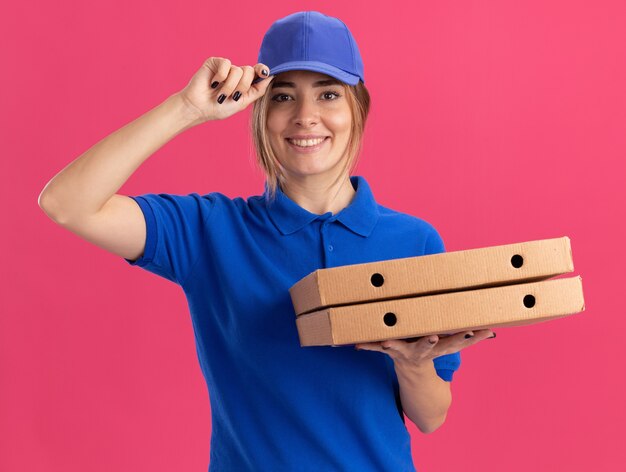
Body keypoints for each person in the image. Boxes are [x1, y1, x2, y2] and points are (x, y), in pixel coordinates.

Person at [39, 10, 495, 472]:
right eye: (283, 96)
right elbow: (67, 203)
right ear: (259, 112)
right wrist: (187, 108)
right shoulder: (209, 230)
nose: (305, 117)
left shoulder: (414, 241)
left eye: (328, 94)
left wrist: (413, 362)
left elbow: (431, 416)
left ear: (358, 109)